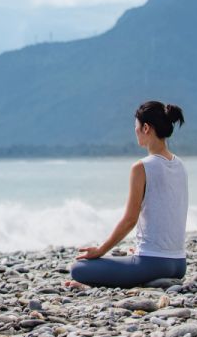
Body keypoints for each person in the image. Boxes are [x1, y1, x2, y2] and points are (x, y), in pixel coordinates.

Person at [66, 100, 188, 289]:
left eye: (136, 127)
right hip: (179, 264)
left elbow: (130, 220)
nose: (135, 131)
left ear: (146, 128)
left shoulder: (142, 167)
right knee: (127, 260)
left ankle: (141, 276)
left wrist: (100, 250)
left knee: (78, 268)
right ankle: (148, 276)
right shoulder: (180, 164)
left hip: (153, 264)